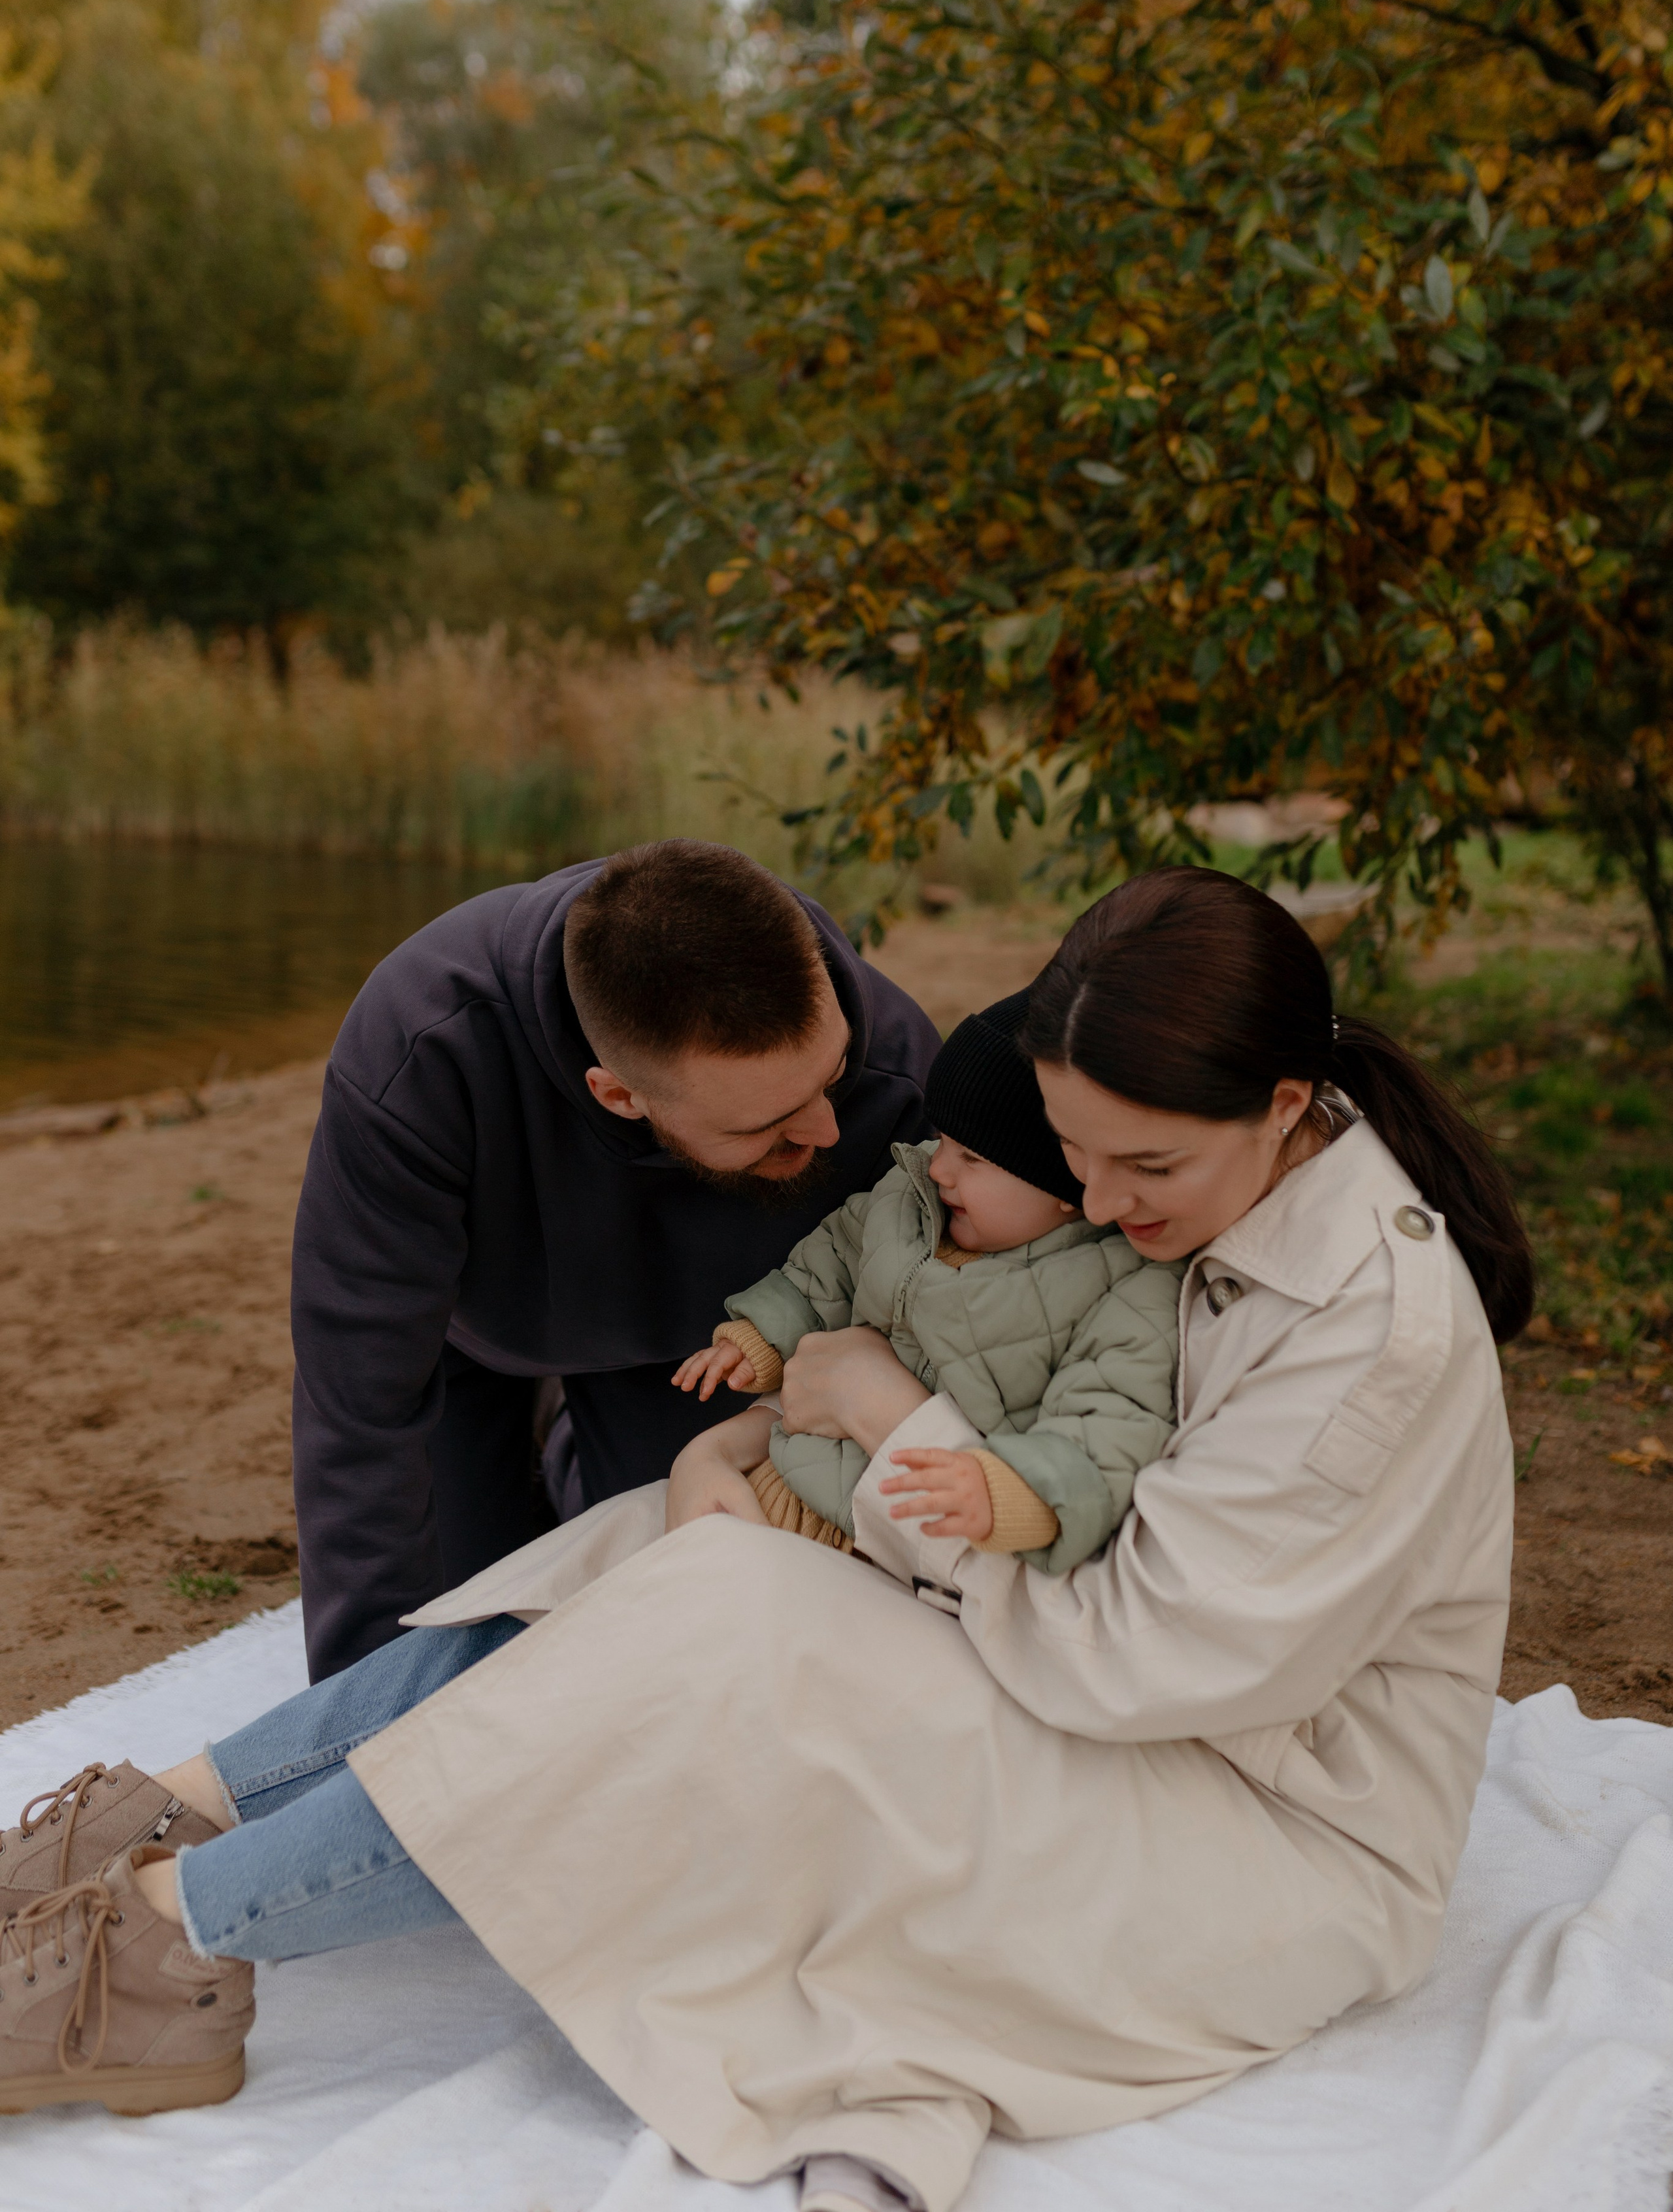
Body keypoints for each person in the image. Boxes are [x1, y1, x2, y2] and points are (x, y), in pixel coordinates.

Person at [0, 865, 1532, 2212]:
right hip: (1085, 1666)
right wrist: (741, 1445)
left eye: (1146, 1170)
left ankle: (156, 1945)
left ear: (1279, 1105)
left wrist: (881, 1441)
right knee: (642, 1546)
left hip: (1250, 1829)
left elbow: (1133, 1658)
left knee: (724, 1626)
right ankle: (149, 1816)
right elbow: (945, 1350)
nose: (1101, 1202)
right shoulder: (1189, 1197)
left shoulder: (1363, 1340)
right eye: (1075, 1154)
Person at [289, 836, 939, 1677]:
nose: (823, 1129)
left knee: (655, 1595)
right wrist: (348, 1720)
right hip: (473, 1334)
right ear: (619, 1095)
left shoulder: (894, 1063)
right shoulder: (420, 1047)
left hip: (708, 1351)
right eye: (766, 1123)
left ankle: (573, 1448)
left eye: (831, 1074)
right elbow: (357, 1408)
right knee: (455, 1631)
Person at [669, 991, 1181, 1568]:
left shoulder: (1119, 1292)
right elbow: (835, 1256)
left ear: (1071, 1185)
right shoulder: (912, 1201)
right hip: (790, 1480)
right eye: (945, 1141)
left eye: (974, 1158)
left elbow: (1109, 1423)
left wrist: (1013, 1494)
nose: (939, 1166)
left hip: (898, 1547)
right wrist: (762, 1335)